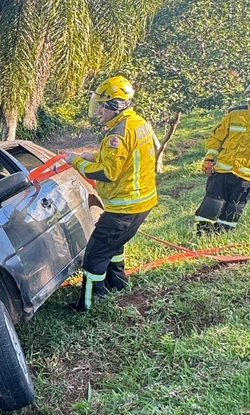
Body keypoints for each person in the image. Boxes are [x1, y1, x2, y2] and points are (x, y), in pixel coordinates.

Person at [65, 75, 158, 312]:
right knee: (114, 247)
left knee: (94, 256)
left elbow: (108, 172)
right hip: (141, 203)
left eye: (102, 106)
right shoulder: (137, 123)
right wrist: (93, 156)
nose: (100, 112)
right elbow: (127, 159)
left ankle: (88, 304)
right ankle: (117, 284)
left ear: (114, 106)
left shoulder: (116, 134)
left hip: (123, 208)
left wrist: (76, 162)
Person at [193, 77, 250, 234]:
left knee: (233, 211)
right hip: (222, 171)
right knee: (210, 206)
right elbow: (216, 137)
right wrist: (209, 158)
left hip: (246, 177)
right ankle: (200, 236)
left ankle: (220, 239)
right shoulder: (234, 113)